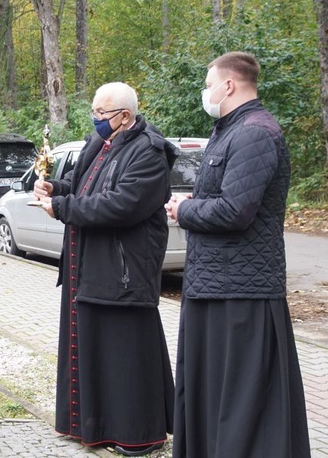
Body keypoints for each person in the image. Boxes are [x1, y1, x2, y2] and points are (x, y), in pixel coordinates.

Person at [165, 52, 311, 457]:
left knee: (244, 407)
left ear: (229, 85)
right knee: (211, 397)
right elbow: (228, 196)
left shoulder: (255, 133)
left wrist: (184, 209)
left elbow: (236, 211)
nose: (206, 92)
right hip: (216, 285)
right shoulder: (230, 129)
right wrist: (198, 201)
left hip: (240, 293)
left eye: (209, 83)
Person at [33, 82, 177, 456]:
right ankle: (89, 427)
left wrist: (63, 209)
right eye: (94, 111)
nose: (95, 119)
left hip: (124, 272)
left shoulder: (149, 153)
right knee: (91, 349)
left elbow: (121, 205)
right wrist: (55, 189)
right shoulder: (100, 143)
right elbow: (82, 185)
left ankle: (137, 435)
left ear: (125, 117)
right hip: (89, 267)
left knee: (125, 358)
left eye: (101, 113)